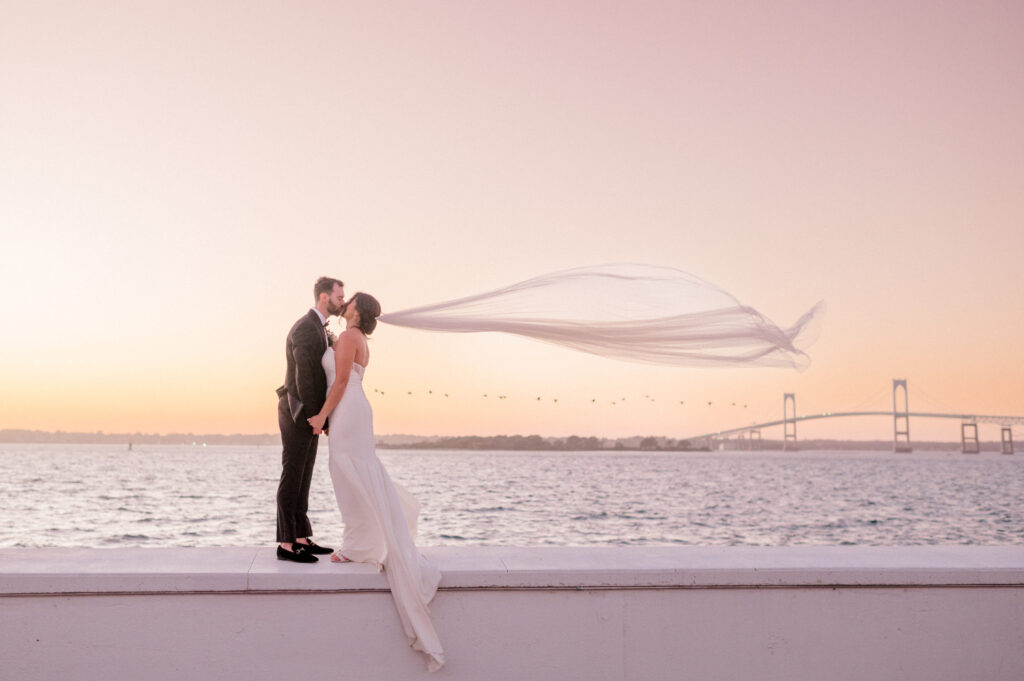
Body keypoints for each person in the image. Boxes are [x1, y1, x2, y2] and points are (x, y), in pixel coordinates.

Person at [308, 293, 445, 672]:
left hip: (348, 409)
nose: (344, 303)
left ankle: (355, 546)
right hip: (354, 409)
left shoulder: (351, 337)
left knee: (347, 475)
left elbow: (337, 386)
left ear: (355, 310)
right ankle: (364, 542)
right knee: (354, 474)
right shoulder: (355, 337)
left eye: (348, 301)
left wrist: (321, 416)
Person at [275, 276, 345, 563]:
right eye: (340, 297)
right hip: (298, 410)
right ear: (324, 297)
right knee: (293, 473)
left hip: (309, 412)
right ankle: (286, 545)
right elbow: (305, 378)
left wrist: (322, 417)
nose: (343, 301)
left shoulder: (319, 327)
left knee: (304, 473)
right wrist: (317, 415)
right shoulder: (306, 328)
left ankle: (302, 538)